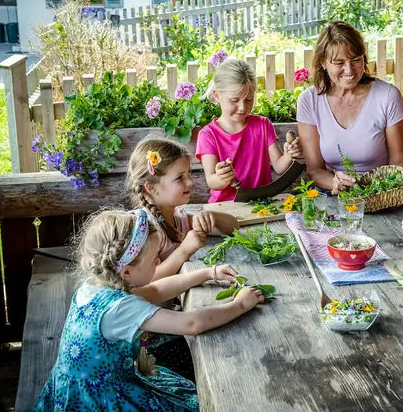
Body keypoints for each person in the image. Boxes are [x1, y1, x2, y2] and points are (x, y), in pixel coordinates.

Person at [34, 209, 264, 411]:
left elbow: (155, 290)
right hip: (100, 399)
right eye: (154, 259)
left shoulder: (94, 287)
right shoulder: (120, 308)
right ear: (126, 272)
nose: (157, 264)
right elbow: (191, 324)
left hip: (71, 388)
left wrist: (207, 273)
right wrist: (240, 304)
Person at [126, 134, 239, 378]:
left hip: (170, 318)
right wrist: (185, 250)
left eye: (189, 173)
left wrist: (211, 216)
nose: (190, 181)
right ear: (152, 187)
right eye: (180, 177)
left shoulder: (175, 217)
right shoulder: (145, 228)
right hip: (150, 337)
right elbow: (145, 284)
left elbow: (233, 227)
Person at [297, 21, 403, 194]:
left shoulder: (387, 96)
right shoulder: (309, 100)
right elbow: (314, 170)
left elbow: (401, 164)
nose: (349, 70)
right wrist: (335, 183)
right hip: (333, 195)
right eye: (339, 62)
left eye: (356, 60)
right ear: (323, 63)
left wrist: (385, 189)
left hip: (382, 195)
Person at [196, 58, 303, 202]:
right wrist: (222, 177)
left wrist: (289, 155)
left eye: (249, 99)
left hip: (262, 205)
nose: (242, 107)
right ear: (217, 95)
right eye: (234, 100)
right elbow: (211, 181)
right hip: (225, 208)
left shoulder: (262, 125)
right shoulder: (208, 135)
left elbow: (278, 166)